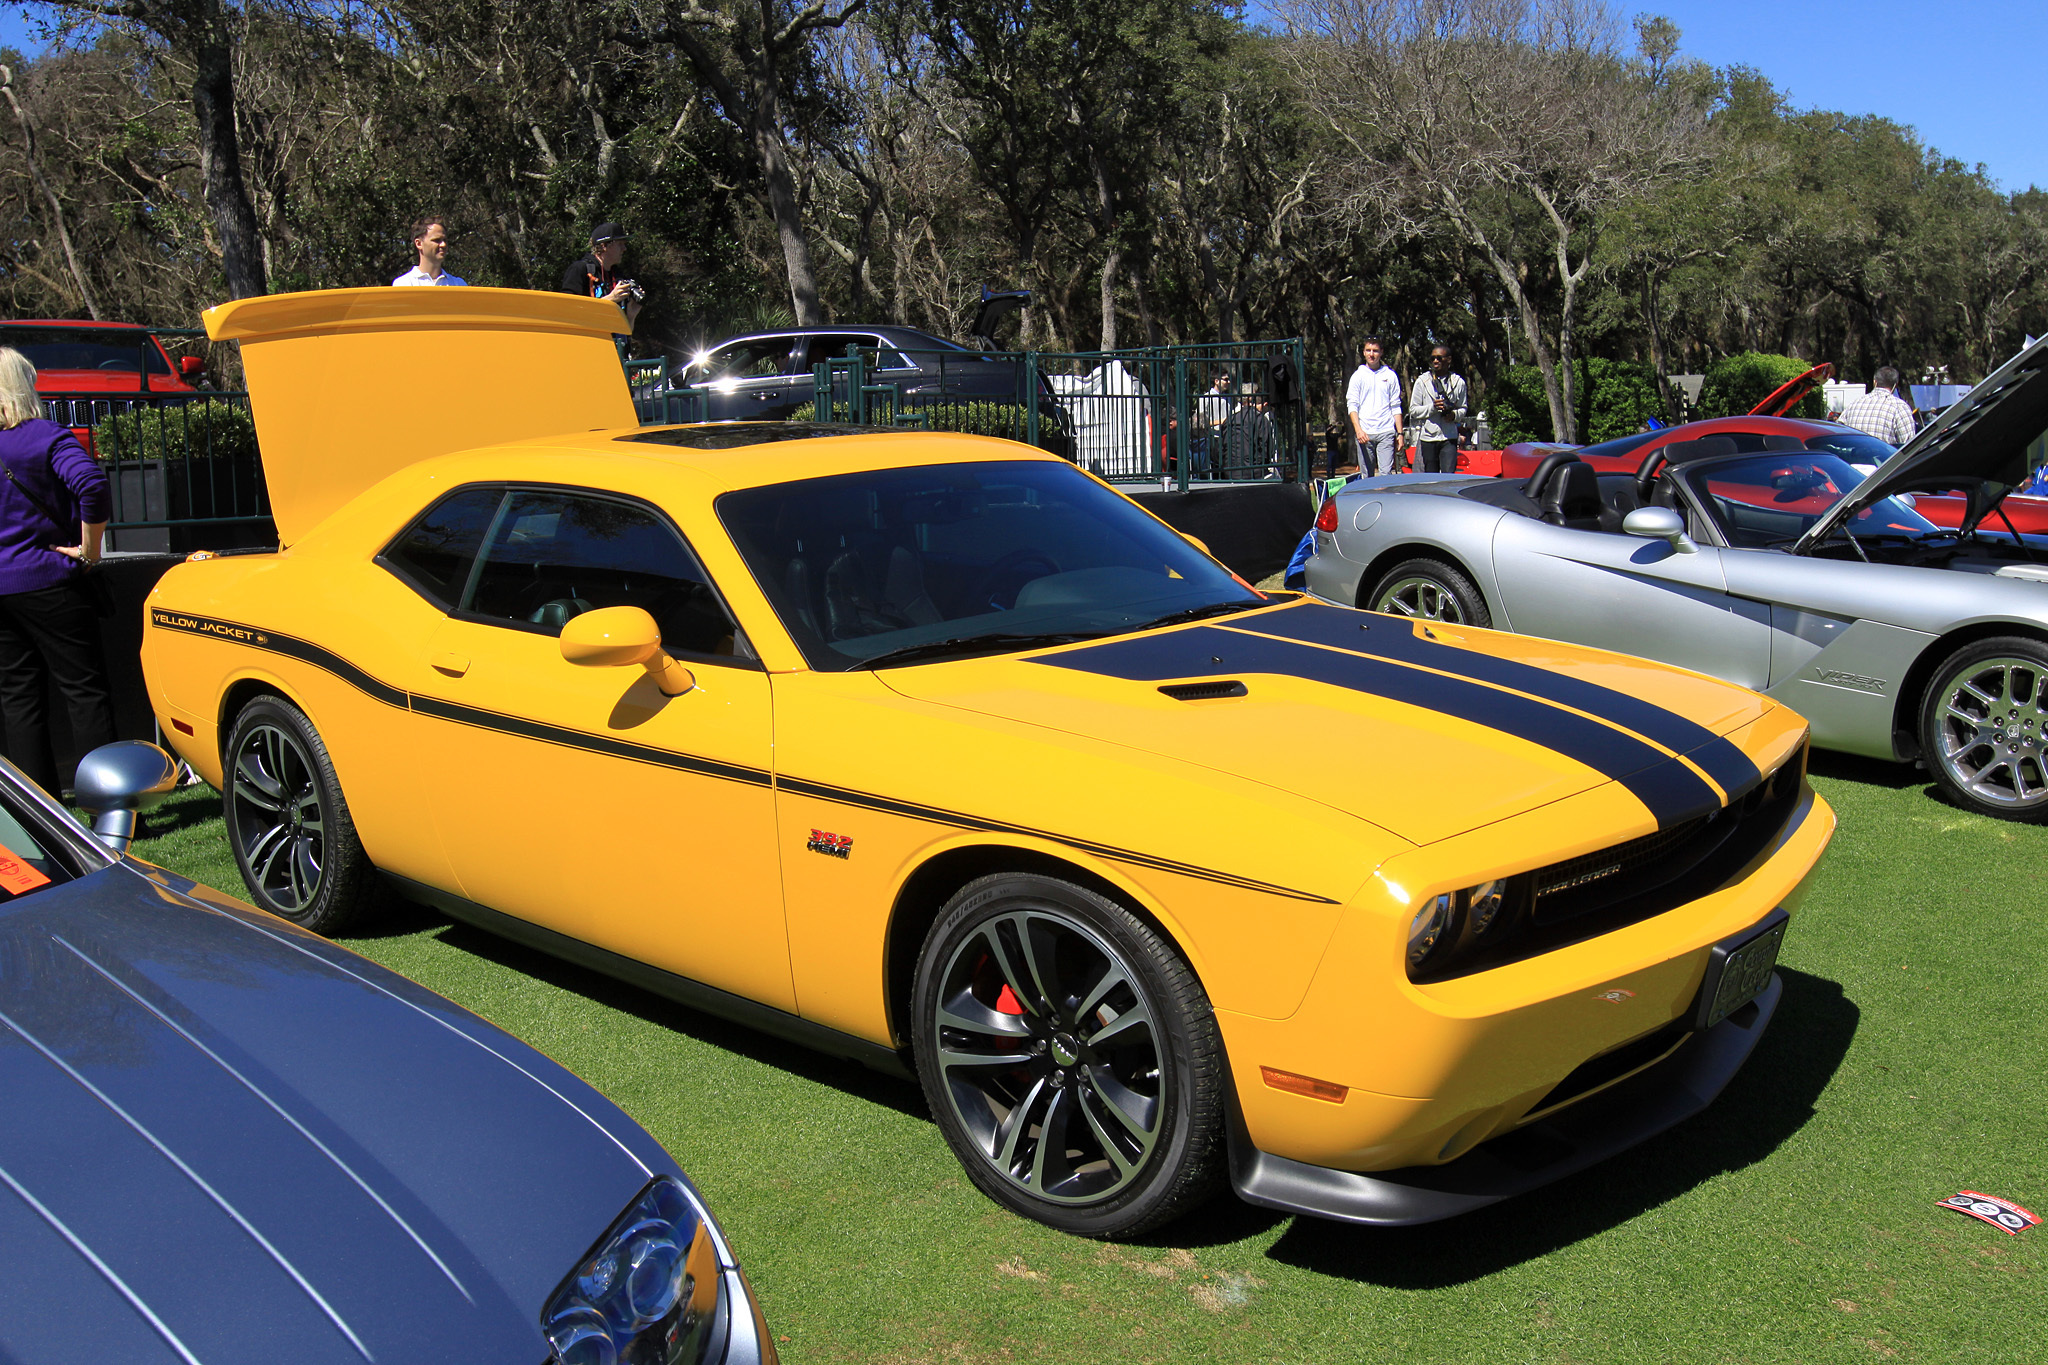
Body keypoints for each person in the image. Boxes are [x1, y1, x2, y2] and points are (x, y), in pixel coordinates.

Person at [0, 347, 115, 796]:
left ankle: (40, 819)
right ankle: (108, 808)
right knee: (85, 693)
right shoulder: (45, 436)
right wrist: (90, 549)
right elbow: (90, 483)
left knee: (19, 701)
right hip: (50, 580)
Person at [559, 221, 645, 332]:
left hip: (609, 345)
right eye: (620, 244)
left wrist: (631, 316)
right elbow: (567, 313)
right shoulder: (580, 269)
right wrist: (610, 299)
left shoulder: (618, 276)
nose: (624, 249)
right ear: (604, 245)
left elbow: (625, 334)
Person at [1345, 337, 1403, 475]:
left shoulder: (1390, 375)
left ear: (1381, 352)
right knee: (1367, 477)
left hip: (1386, 432)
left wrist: (1400, 433)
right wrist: (1358, 430)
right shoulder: (1358, 376)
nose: (1372, 354)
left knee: (1386, 475)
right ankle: (1369, 498)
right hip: (1365, 433)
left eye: (1375, 351)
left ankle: (1385, 497)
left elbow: (1395, 405)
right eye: (1368, 350)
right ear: (1363, 352)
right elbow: (1352, 405)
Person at [1408, 345, 1468, 475]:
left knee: (1448, 476)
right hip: (1429, 438)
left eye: (1439, 358)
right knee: (1431, 477)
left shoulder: (1458, 383)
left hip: (1449, 437)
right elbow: (1413, 410)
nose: (1435, 361)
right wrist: (1433, 408)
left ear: (1449, 360)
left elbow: (1463, 408)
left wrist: (1454, 415)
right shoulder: (1422, 381)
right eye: (1433, 358)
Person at [1838, 366, 1917, 447]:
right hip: (1886, 458)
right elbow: (1909, 444)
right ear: (1895, 385)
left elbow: (1839, 430)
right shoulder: (1900, 407)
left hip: (1853, 457)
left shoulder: (1855, 403)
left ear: (1875, 382)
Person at [1219, 390, 1279, 480]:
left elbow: (1222, 446)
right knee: (1277, 477)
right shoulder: (1260, 419)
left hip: (1229, 470)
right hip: (1254, 471)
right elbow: (1267, 447)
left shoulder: (1229, 419)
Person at [391, 217, 465, 287]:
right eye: (437, 240)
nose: (443, 244)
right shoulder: (404, 284)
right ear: (419, 243)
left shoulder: (459, 284)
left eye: (445, 240)